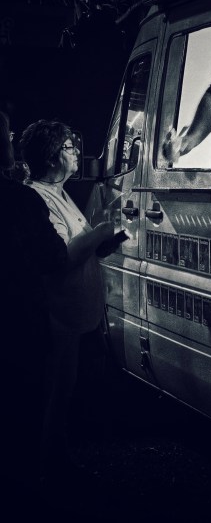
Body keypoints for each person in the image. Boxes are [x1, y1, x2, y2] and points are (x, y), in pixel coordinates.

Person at [19, 119, 116, 487]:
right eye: (69, 147)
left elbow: (81, 247)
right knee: (54, 391)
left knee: (64, 389)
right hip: (57, 317)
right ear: (51, 157)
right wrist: (100, 233)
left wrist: (104, 242)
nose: (76, 152)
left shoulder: (59, 192)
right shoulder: (38, 198)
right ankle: (48, 468)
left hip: (74, 316)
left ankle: (54, 458)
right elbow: (61, 258)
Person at [0, 111, 68, 498]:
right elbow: (52, 257)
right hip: (18, 328)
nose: (11, 139)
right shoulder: (19, 201)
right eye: (5, 133)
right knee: (20, 421)